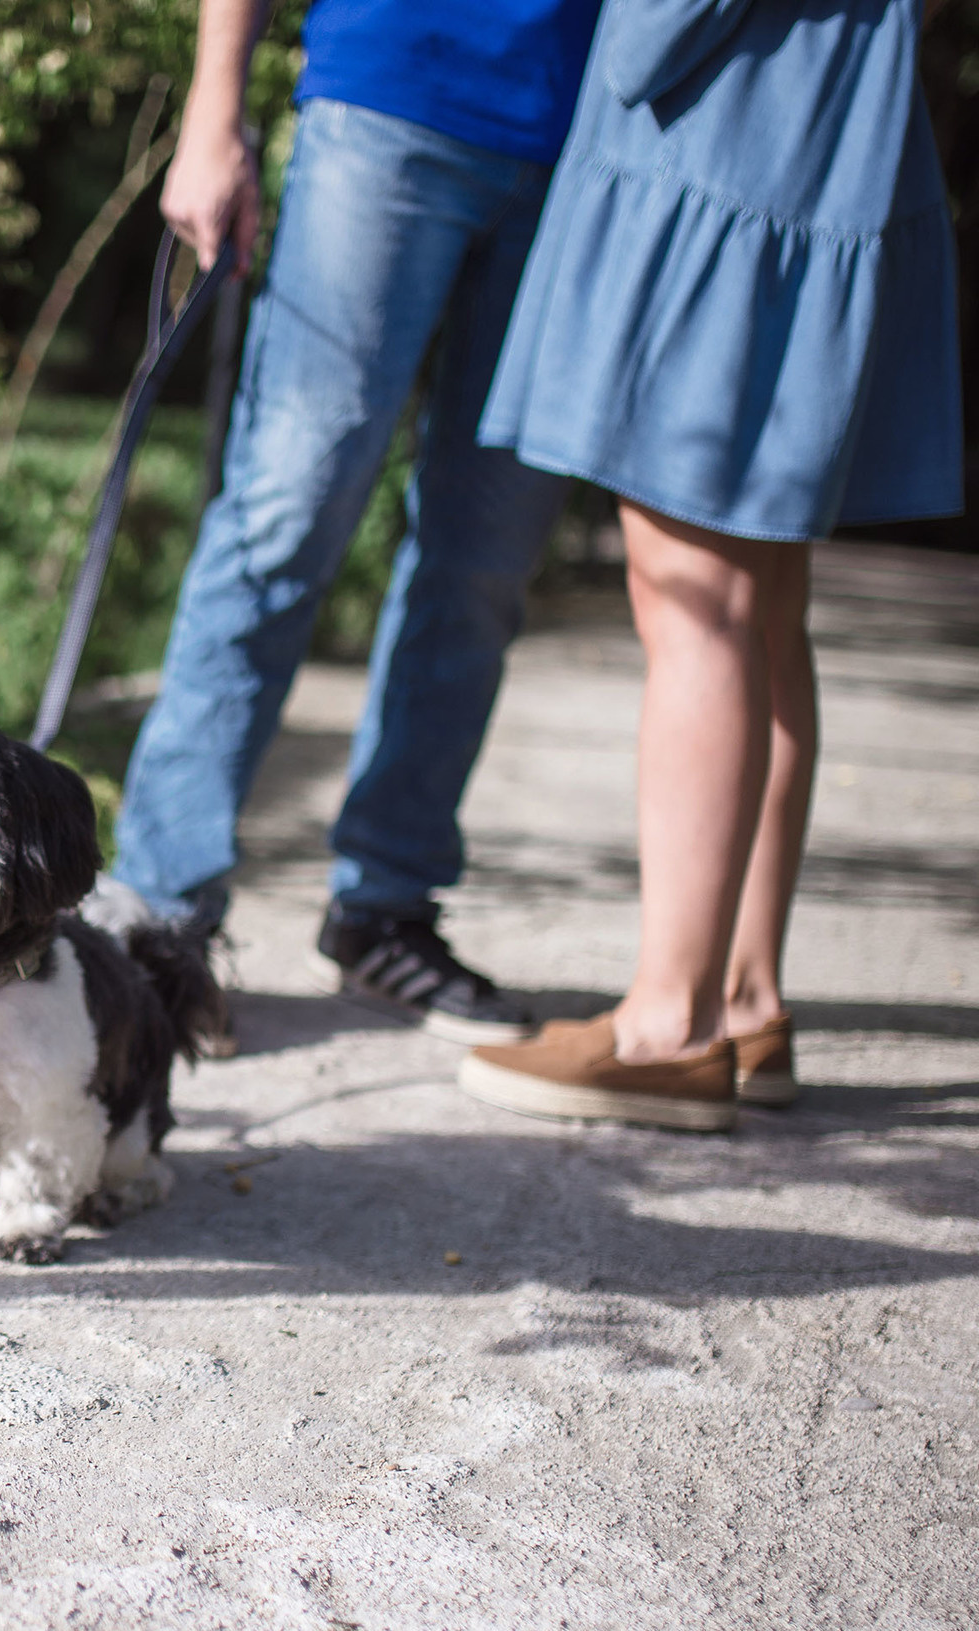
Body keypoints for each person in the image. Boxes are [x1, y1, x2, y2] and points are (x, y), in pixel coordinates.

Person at [456, 0, 962, 1131]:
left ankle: (667, 1025)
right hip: (819, 132)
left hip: (726, 141)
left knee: (693, 598)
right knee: (762, 605)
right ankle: (740, 997)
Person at [112, 0, 600, 1047]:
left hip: (584, 140)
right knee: (284, 514)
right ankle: (158, 913)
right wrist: (212, 109)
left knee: (487, 558)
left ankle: (385, 907)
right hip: (387, 97)